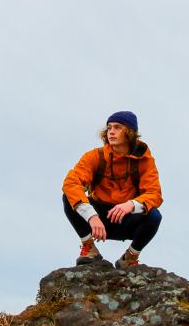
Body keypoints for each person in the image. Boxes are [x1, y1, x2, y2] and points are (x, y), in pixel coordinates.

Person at [62, 110, 163, 268]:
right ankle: (89, 249)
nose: (111, 132)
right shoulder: (95, 156)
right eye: (109, 128)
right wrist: (91, 216)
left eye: (117, 127)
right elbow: (71, 183)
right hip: (98, 219)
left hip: (126, 219)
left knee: (154, 216)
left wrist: (131, 204)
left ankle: (130, 258)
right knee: (68, 197)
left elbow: (154, 193)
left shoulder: (144, 161)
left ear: (129, 133)